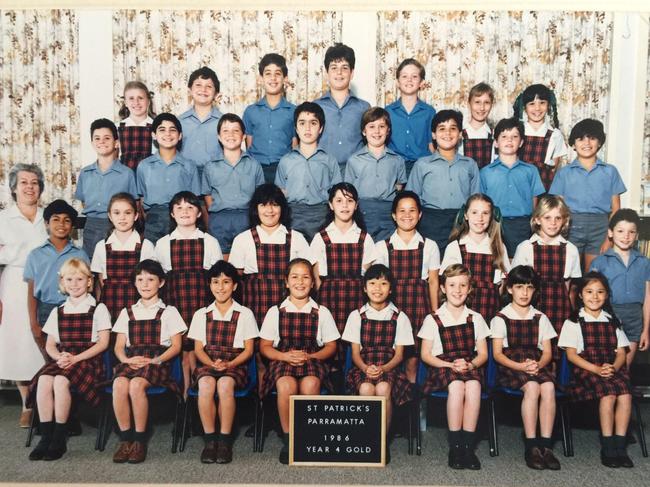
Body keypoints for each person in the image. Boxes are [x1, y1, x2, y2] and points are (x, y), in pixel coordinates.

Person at [27, 258, 110, 461]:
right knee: (46, 380)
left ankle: (59, 437)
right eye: (69, 279)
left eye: (80, 279)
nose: (74, 284)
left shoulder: (98, 309)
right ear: (62, 283)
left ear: (89, 282)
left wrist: (75, 359)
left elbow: (103, 344)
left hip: (88, 360)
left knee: (61, 380)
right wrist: (60, 357)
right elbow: (50, 345)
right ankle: (46, 436)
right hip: (64, 358)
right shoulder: (58, 311)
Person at [259, 258, 339, 464]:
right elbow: (265, 347)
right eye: (294, 277)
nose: (300, 282)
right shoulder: (275, 311)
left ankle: (307, 437)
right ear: (286, 282)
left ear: (313, 283)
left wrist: (310, 356)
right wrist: (284, 356)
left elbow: (331, 347)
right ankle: (289, 439)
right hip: (282, 357)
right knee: (286, 384)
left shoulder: (322, 312)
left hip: (312, 357)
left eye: (306, 277)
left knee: (310, 383)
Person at [111, 259, 186, 464]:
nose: (145, 284)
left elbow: (177, 346)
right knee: (119, 383)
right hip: (132, 360)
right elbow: (118, 346)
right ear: (134, 283)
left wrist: (155, 360)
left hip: (157, 363)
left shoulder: (169, 312)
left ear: (160, 283)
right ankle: (125, 440)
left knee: (136, 385)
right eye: (140, 279)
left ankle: (140, 440)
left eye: (150, 279)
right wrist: (127, 360)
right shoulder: (126, 313)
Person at [418, 264, 490, 470]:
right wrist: (450, 364)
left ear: (469, 289)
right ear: (442, 288)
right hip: (442, 366)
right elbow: (425, 354)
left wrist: (470, 364)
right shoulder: (433, 319)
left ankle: (468, 447)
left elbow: (483, 354)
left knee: (474, 387)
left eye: (462, 285)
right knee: (457, 387)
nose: (457, 290)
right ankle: (456, 446)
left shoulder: (476, 318)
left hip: (468, 364)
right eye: (452, 285)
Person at [558, 271, 633, 468]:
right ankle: (608, 446)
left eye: (600, 292)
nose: (595, 296)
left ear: (607, 295)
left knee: (625, 394)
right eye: (589, 291)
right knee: (608, 394)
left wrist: (614, 368)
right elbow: (572, 355)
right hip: (586, 369)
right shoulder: (573, 321)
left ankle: (620, 446)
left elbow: (621, 353)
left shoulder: (612, 320)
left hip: (611, 367)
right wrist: (597, 369)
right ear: (581, 295)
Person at [490, 265, 560, 470]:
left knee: (548, 387)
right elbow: (497, 354)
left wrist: (538, 364)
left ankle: (545, 447)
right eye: (519, 287)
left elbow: (547, 352)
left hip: (536, 364)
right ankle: (531, 447)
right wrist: (521, 366)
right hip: (512, 365)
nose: (524, 293)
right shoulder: (501, 318)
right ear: (510, 289)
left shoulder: (541, 317)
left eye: (529, 288)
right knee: (532, 387)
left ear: (535, 291)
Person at [188, 260, 258, 464]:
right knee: (206, 384)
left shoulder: (245, 314)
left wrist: (229, 364)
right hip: (208, 363)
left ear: (235, 286)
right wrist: (211, 364)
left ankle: (225, 441)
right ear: (209, 285)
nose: (221, 287)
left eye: (226, 282)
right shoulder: (201, 314)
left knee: (225, 384)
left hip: (235, 364)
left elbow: (249, 350)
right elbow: (198, 349)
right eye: (216, 282)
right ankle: (211, 441)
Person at [155, 191, 223, 393]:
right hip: (175, 302)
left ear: (199, 213)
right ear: (172, 214)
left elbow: (218, 278)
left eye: (190, 207)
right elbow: (157, 279)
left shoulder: (209, 242)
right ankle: (184, 398)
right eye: (179, 208)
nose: (185, 211)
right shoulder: (163, 243)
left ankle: (199, 396)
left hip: (202, 302)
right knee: (183, 353)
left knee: (200, 349)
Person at [371, 191, 440, 382]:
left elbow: (433, 282)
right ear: (394, 215)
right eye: (402, 211)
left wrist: (434, 314)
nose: (407, 215)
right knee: (390, 357)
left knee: (413, 360)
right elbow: (379, 284)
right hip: (392, 306)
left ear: (420, 215)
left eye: (412, 210)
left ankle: (412, 406)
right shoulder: (382, 246)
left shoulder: (429, 246)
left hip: (419, 306)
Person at [311, 182, 374, 389]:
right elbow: (317, 277)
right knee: (331, 345)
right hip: (330, 297)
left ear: (356, 205)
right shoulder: (321, 237)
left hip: (356, 296)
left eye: (349, 201)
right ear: (330, 205)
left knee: (354, 343)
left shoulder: (364, 238)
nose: (344, 205)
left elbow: (368, 274)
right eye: (339, 200)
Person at [0, 164, 48, 427]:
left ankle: (47, 400)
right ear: (14, 188)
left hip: (46, 283)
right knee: (18, 342)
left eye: (35, 182)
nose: (30, 187)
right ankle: (26, 405)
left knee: (43, 340)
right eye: (24, 183)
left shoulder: (48, 216)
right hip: (15, 283)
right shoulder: (3, 218)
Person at [229, 183, 312, 327]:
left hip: (288, 310)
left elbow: (308, 278)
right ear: (256, 209)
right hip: (253, 309)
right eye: (263, 205)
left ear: (282, 208)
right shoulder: (242, 239)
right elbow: (234, 281)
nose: (269, 210)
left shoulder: (297, 238)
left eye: (274, 205)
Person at [342, 264, 413, 430]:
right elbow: (354, 353)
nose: (378, 288)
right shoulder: (356, 316)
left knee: (383, 387)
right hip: (363, 367)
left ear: (390, 289)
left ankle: (381, 441)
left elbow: (399, 355)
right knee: (366, 388)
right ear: (365, 288)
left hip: (390, 368)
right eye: (372, 283)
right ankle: (366, 438)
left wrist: (383, 368)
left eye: (383, 283)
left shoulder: (400, 317)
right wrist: (366, 368)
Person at [549, 119, 626, 271]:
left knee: (593, 275)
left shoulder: (610, 171)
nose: (587, 143)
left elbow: (616, 209)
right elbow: (559, 209)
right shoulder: (564, 173)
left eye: (592, 138)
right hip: (571, 226)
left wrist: (608, 238)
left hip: (600, 228)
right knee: (569, 273)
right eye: (581, 139)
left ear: (600, 142)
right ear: (573, 144)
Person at [406, 109, 480, 254]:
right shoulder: (422, 164)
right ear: (433, 134)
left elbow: (476, 199)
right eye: (442, 129)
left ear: (460, 134)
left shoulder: (470, 164)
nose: (447, 133)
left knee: (458, 265)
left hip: (461, 222)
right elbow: (412, 199)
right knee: (432, 263)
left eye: (453, 129)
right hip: (430, 221)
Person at [25, 200, 89, 360]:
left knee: (73, 361)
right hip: (46, 310)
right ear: (46, 223)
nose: (61, 224)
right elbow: (32, 292)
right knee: (52, 362)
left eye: (67, 220)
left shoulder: (80, 254)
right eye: (55, 219)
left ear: (72, 226)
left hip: (74, 309)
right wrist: (34, 323)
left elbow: (89, 288)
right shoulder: (35, 255)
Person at [512, 195, 581, 340]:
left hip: (559, 307)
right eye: (547, 218)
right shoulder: (525, 248)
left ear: (564, 221)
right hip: (531, 306)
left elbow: (570, 289)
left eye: (558, 218)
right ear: (537, 219)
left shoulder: (571, 250)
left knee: (558, 351)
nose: (553, 223)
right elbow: (515, 284)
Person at [590, 209, 650, 368]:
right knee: (606, 368)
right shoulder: (599, 263)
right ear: (610, 233)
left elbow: (648, 299)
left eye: (631, 232)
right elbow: (591, 298)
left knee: (624, 372)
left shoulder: (644, 262)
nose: (626, 236)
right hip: (608, 316)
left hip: (634, 318)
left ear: (637, 235)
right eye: (621, 231)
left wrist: (646, 330)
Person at [275, 101, 341, 240]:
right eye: (302, 123)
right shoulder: (286, 160)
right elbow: (279, 194)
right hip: (293, 216)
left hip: (321, 215)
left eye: (313, 123)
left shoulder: (329, 160)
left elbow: (336, 194)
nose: (308, 128)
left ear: (321, 128)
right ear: (296, 128)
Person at [480, 117, 545, 257]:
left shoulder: (530, 170)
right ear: (496, 143)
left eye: (514, 136)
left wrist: (531, 224)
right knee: (496, 264)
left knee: (519, 265)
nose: (509, 140)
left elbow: (535, 201)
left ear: (521, 142)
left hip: (522, 226)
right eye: (504, 136)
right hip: (494, 224)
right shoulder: (485, 172)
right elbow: (481, 203)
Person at [441, 193, 509, 324]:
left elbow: (503, 285)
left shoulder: (499, 247)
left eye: (485, 213)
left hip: (490, 311)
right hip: (462, 313)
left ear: (492, 216)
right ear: (465, 215)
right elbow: (448, 285)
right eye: (474, 212)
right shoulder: (456, 247)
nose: (480, 218)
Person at [202, 113, 264, 256]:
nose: (231, 134)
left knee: (247, 260)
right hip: (219, 220)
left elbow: (260, 196)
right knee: (221, 264)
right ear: (218, 136)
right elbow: (207, 196)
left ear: (243, 136)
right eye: (225, 131)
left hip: (246, 218)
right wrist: (216, 215)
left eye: (236, 130)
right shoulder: (210, 166)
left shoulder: (254, 165)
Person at [75, 118, 138, 258]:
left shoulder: (126, 174)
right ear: (92, 143)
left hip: (116, 227)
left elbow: (135, 204)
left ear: (116, 143)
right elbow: (84, 202)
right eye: (97, 138)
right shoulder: (85, 173)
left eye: (107, 138)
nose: (101, 141)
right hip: (91, 226)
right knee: (90, 268)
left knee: (114, 267)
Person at [136, 112, 202, 243]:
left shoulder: (189, 166)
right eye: (162, 130)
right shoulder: (144, 166)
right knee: (154, 260)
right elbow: (141, 200)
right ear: (154, 135)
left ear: (180, 136)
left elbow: (195, 200)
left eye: (172, 130)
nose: (167, 134)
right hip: (154, 221)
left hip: (182, 219)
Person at [90, 193, 156, 321]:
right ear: (110, 216)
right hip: (109, 304)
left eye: (127, 213)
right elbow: (101, 282)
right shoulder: (102, 246)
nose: (122, 217)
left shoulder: (145, 245)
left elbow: (150, 281)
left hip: (137, 304)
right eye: (117, 213)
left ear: (136, 215)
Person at [345, 107, 406, 241]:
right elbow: (349, 191)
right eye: (371, 126)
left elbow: (399, 186)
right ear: (364, 131)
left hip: (388, 213)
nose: (377, 131)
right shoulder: (354, 160)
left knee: (387, 251)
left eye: (381, 126)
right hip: (363, 211)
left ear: (388, 130)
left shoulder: (397, 160)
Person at [314, 43, 370, 174]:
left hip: (356, 173)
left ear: (352, 73)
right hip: (322, 171)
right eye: (334, 68)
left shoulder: (364, 107)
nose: (339, 73)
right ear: (326, 73)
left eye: (344, 68)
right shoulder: (315, 107)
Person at [243, 53, 296, 184]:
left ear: (285, 78)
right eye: (268, 73)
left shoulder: (294, 111)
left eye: (278, 73)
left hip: (284, 169)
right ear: (260, 79)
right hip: (256, 170)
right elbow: (249, 144)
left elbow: (295, 146)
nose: (273, 78)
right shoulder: (251, 111)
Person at [384, 58, 436, 175]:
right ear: (397, 82)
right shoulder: (388, 111)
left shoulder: (429, 112)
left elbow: (431, 145)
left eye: (414, 76)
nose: (409, 80)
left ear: (421, 83)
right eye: (404, 76)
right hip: (394, 167)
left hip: (421, 167)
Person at [512, 83, 567, 191]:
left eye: (542, 103)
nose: (537, 108)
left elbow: (553, 170)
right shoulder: (516, 132)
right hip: (517, 188)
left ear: (548, 106)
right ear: (524, 107)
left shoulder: (555, 135)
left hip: (544, 188)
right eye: (532, 104)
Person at [178, 66, 223, 178]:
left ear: (216, 94)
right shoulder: (179, 121)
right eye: (198, 85)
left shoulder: (223, 122)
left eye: (209, 86)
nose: (203, 90)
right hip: (187, 175)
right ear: (190, 91)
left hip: (215, 175)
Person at [117, 80, 155, 171]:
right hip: (125, 177)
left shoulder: (156, 126)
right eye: (131, 98)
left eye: (140, 98)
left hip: (149, 176)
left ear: (148, 101)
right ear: (125, 102)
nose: (136, 102)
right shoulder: (116, 127)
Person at [459, 82, 495, 169]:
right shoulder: (459, 134)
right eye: (477, 102)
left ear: (491, 105)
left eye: (486, 102)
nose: (482, 108)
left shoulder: (494, 135)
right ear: (469, 104)